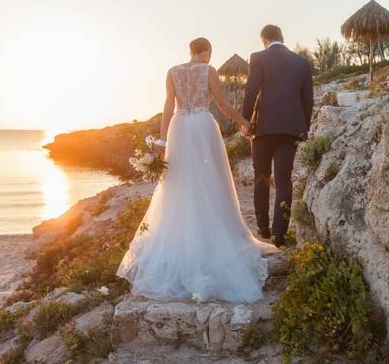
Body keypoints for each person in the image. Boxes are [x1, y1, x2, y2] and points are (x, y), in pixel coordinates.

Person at [117, 37, 275, 303]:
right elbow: (223, 105)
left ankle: (180, 243)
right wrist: (244, 123)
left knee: (179, 182)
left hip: (179, 127)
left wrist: (162, 140)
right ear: (205, 53)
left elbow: (168, 105)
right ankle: (214, 237)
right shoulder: (208, 70)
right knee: (211, 179)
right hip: (202, 125)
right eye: (209, 55)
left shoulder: (172, 72)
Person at [241, 25, 314, 247]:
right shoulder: (301, 62)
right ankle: (279, 234)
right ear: (282, 38)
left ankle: (263, 228)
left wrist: (245, 121)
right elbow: (308, 99)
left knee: (261, 176)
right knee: (284, 180)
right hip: (290, 128)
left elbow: (251, 90)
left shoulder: (258, 57)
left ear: (264, 39)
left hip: (262, 128)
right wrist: (304, 127)